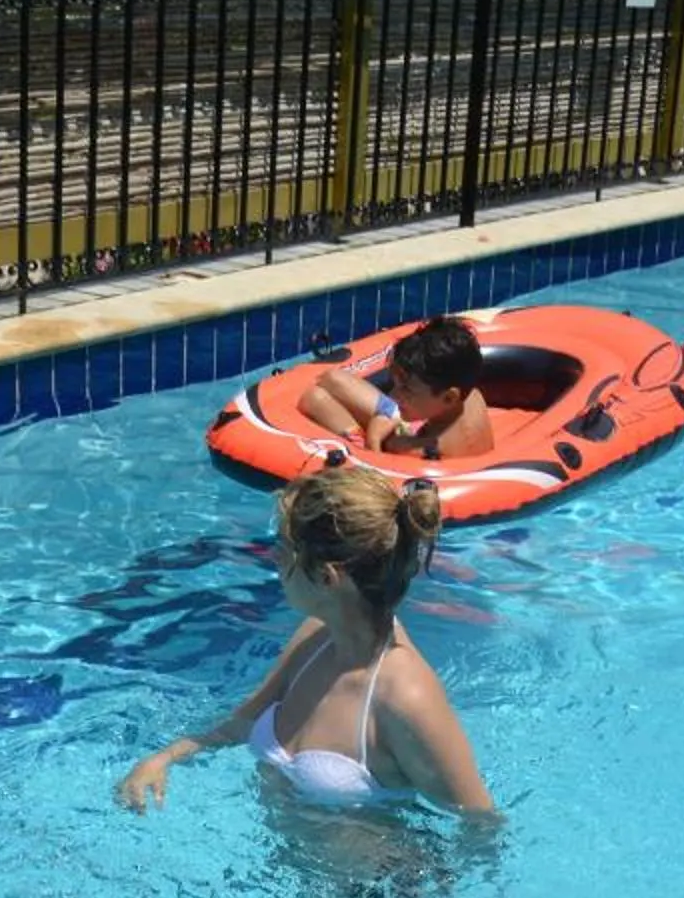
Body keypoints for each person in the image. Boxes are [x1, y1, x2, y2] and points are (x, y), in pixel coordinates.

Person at [115, 465, 497, 818]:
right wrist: (164, 758)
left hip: (383, 872)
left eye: (283, 552)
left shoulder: (404, 697)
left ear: (328, 578)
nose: (274, 560)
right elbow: (241, 724)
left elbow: (481, 824)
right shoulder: (315, 637)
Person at [297, 315, 495, 463]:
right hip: (418, 424)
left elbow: (381, 460)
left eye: (406, 389)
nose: (394, 394)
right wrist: (394, 413)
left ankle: (357, 437)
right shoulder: (471, 395)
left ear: (449, 397)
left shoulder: (424, 450)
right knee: (333, 378)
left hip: (398, 443)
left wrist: (374, 436)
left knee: (314, 399)